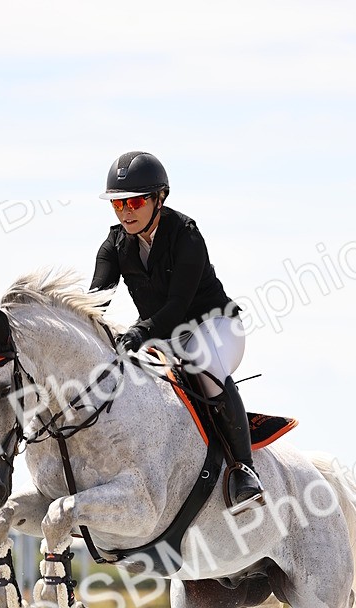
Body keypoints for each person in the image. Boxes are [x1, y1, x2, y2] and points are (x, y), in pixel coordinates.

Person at [90, 150, 264, 513]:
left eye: (135, 202)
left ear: (160, 198)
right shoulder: (113, 245)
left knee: (204, 365)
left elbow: (177, 307)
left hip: (214, 326)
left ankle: (244, 471)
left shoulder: (185, 234)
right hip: (163, 337)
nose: (126, 212)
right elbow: (95, 304)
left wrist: (137, 333)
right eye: (118, 205)